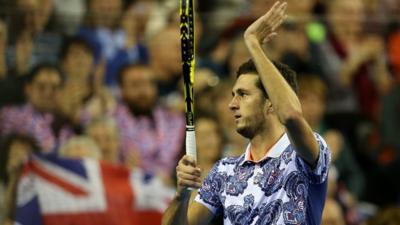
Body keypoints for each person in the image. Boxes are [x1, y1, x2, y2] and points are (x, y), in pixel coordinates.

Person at [162, 2, 331, 225]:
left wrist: (253, 43)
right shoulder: (224, 171)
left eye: (243, 94)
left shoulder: (304, 155)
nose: (232, 104)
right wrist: (181, 196)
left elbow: (290, 115)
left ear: (271, 103)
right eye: (233, 94)